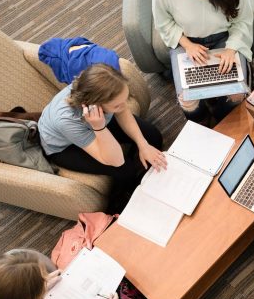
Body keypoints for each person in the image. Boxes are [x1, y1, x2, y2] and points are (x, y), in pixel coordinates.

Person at [38, 64, 166, 213]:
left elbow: (122, 111)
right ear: (95, 105)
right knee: (125, 169)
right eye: (117, 105)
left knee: (153, 137)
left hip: (96, 120)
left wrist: (143, 145)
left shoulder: (101, 88)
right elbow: (116, 160)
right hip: (64, 147)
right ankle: (120, 201)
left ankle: (141, 169)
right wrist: (99, 127)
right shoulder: (66, 120)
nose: (124, 105)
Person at [152, 0, 254, 125]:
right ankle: (202, 123)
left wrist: (231, 49)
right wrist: (187, 45)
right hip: (186, 41)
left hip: (225, 39)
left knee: (237, 92)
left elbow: (242, 22)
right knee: (187, 99)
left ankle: (224, 122)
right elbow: (163, 23)